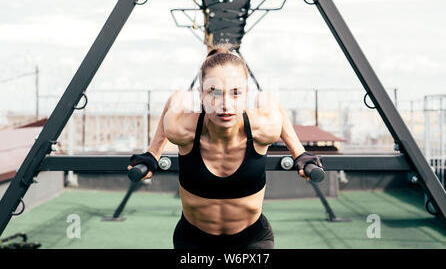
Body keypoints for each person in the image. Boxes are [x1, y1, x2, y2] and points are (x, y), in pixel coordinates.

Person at [128, 44, 323, 249]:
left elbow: (269, 100)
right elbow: (177, 98)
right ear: (200, 95)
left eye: (236, 93)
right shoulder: (184, 129)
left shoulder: (262, 128)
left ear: (246, 94)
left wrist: (299, 153)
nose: (225, 105)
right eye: (214, 93)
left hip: (252, 240)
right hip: (193, 239)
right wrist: (152, 154)